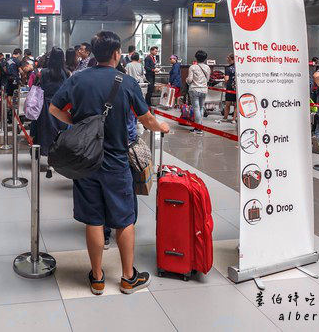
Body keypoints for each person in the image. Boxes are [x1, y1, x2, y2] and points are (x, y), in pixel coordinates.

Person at [49, 31, 170, 296]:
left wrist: (79, 126)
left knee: (93, 219)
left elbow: (54, 109)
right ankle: (128, 278)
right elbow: (147, 119)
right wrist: (162, 126)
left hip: (85, 161)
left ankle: (97, 277)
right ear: (116, 54)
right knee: (124, 219)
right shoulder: (126, 82)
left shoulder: (78, 79)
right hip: (115, 161)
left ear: (93, 52)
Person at [34, 47, 70, 168]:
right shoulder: (66, 72)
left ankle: (48, 157)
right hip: (62, 106)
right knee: (61, 132)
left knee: (46, 132)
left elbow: (38, 87)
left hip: (46, 105)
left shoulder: (43, 72)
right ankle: (59, 158)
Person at [185, 50, 211, 134]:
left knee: (196, 108)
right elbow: (207, 79)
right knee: (201, 107)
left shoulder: (193, 67)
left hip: (194, 89)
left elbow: (189, 80)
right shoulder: (207, 67)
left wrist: (186, 81)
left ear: (196, 57)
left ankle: (198, 128)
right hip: (204, 89)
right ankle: (200, 126)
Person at [218, 53, 235, 122]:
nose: (226, 59)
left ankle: (225, 118)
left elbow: (226, 79)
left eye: (228, 58)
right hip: (237, 88)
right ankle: (234, 119)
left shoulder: (228, 68)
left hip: (230, 87)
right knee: (236, 105)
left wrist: (224, 78)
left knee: (227, 104)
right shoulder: (239, 67)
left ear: (231, 59)